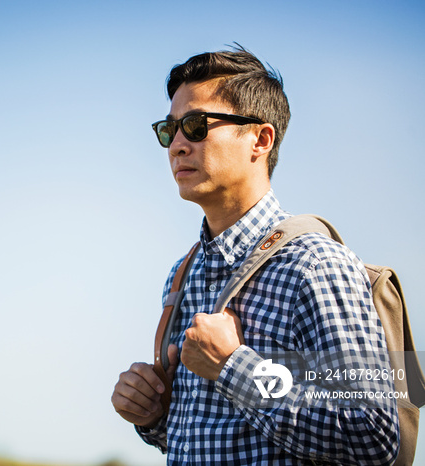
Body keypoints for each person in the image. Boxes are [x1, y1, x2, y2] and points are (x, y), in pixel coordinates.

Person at [110, 45, 400, 465]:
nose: (175, 145)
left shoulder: (315, 264)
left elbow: (371, 436)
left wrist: (233, 367)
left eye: (195, 125)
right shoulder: (184, 273)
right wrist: (153, 416)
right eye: (168, 130)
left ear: (260, 139)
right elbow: (211, 438)